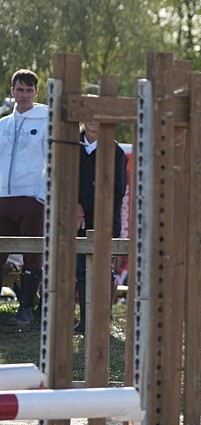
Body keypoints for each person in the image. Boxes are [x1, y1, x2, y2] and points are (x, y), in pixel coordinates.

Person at [0, 70, 50, 325]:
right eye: (20, 89)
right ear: (12, 91)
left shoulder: (46, 121)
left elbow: (51, 162)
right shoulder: (2, 124)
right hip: (2, 199)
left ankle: (26, 309)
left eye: (29, 90)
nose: (24, 94)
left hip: (31, 200)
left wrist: (40, 196)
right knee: (1, 251)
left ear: (36, 93)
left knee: (33, 253)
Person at [76, 119, 128, 334]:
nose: (93, 122)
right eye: (89, 116)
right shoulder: (71, 147)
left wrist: (84, 207)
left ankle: (102, 318)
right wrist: (75, 207)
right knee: (80, 270)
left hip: (104, 220)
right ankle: (85, 319)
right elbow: (61, 180)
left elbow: (117, 189)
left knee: (102, 270)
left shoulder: (115, 152)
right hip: (74, 219)